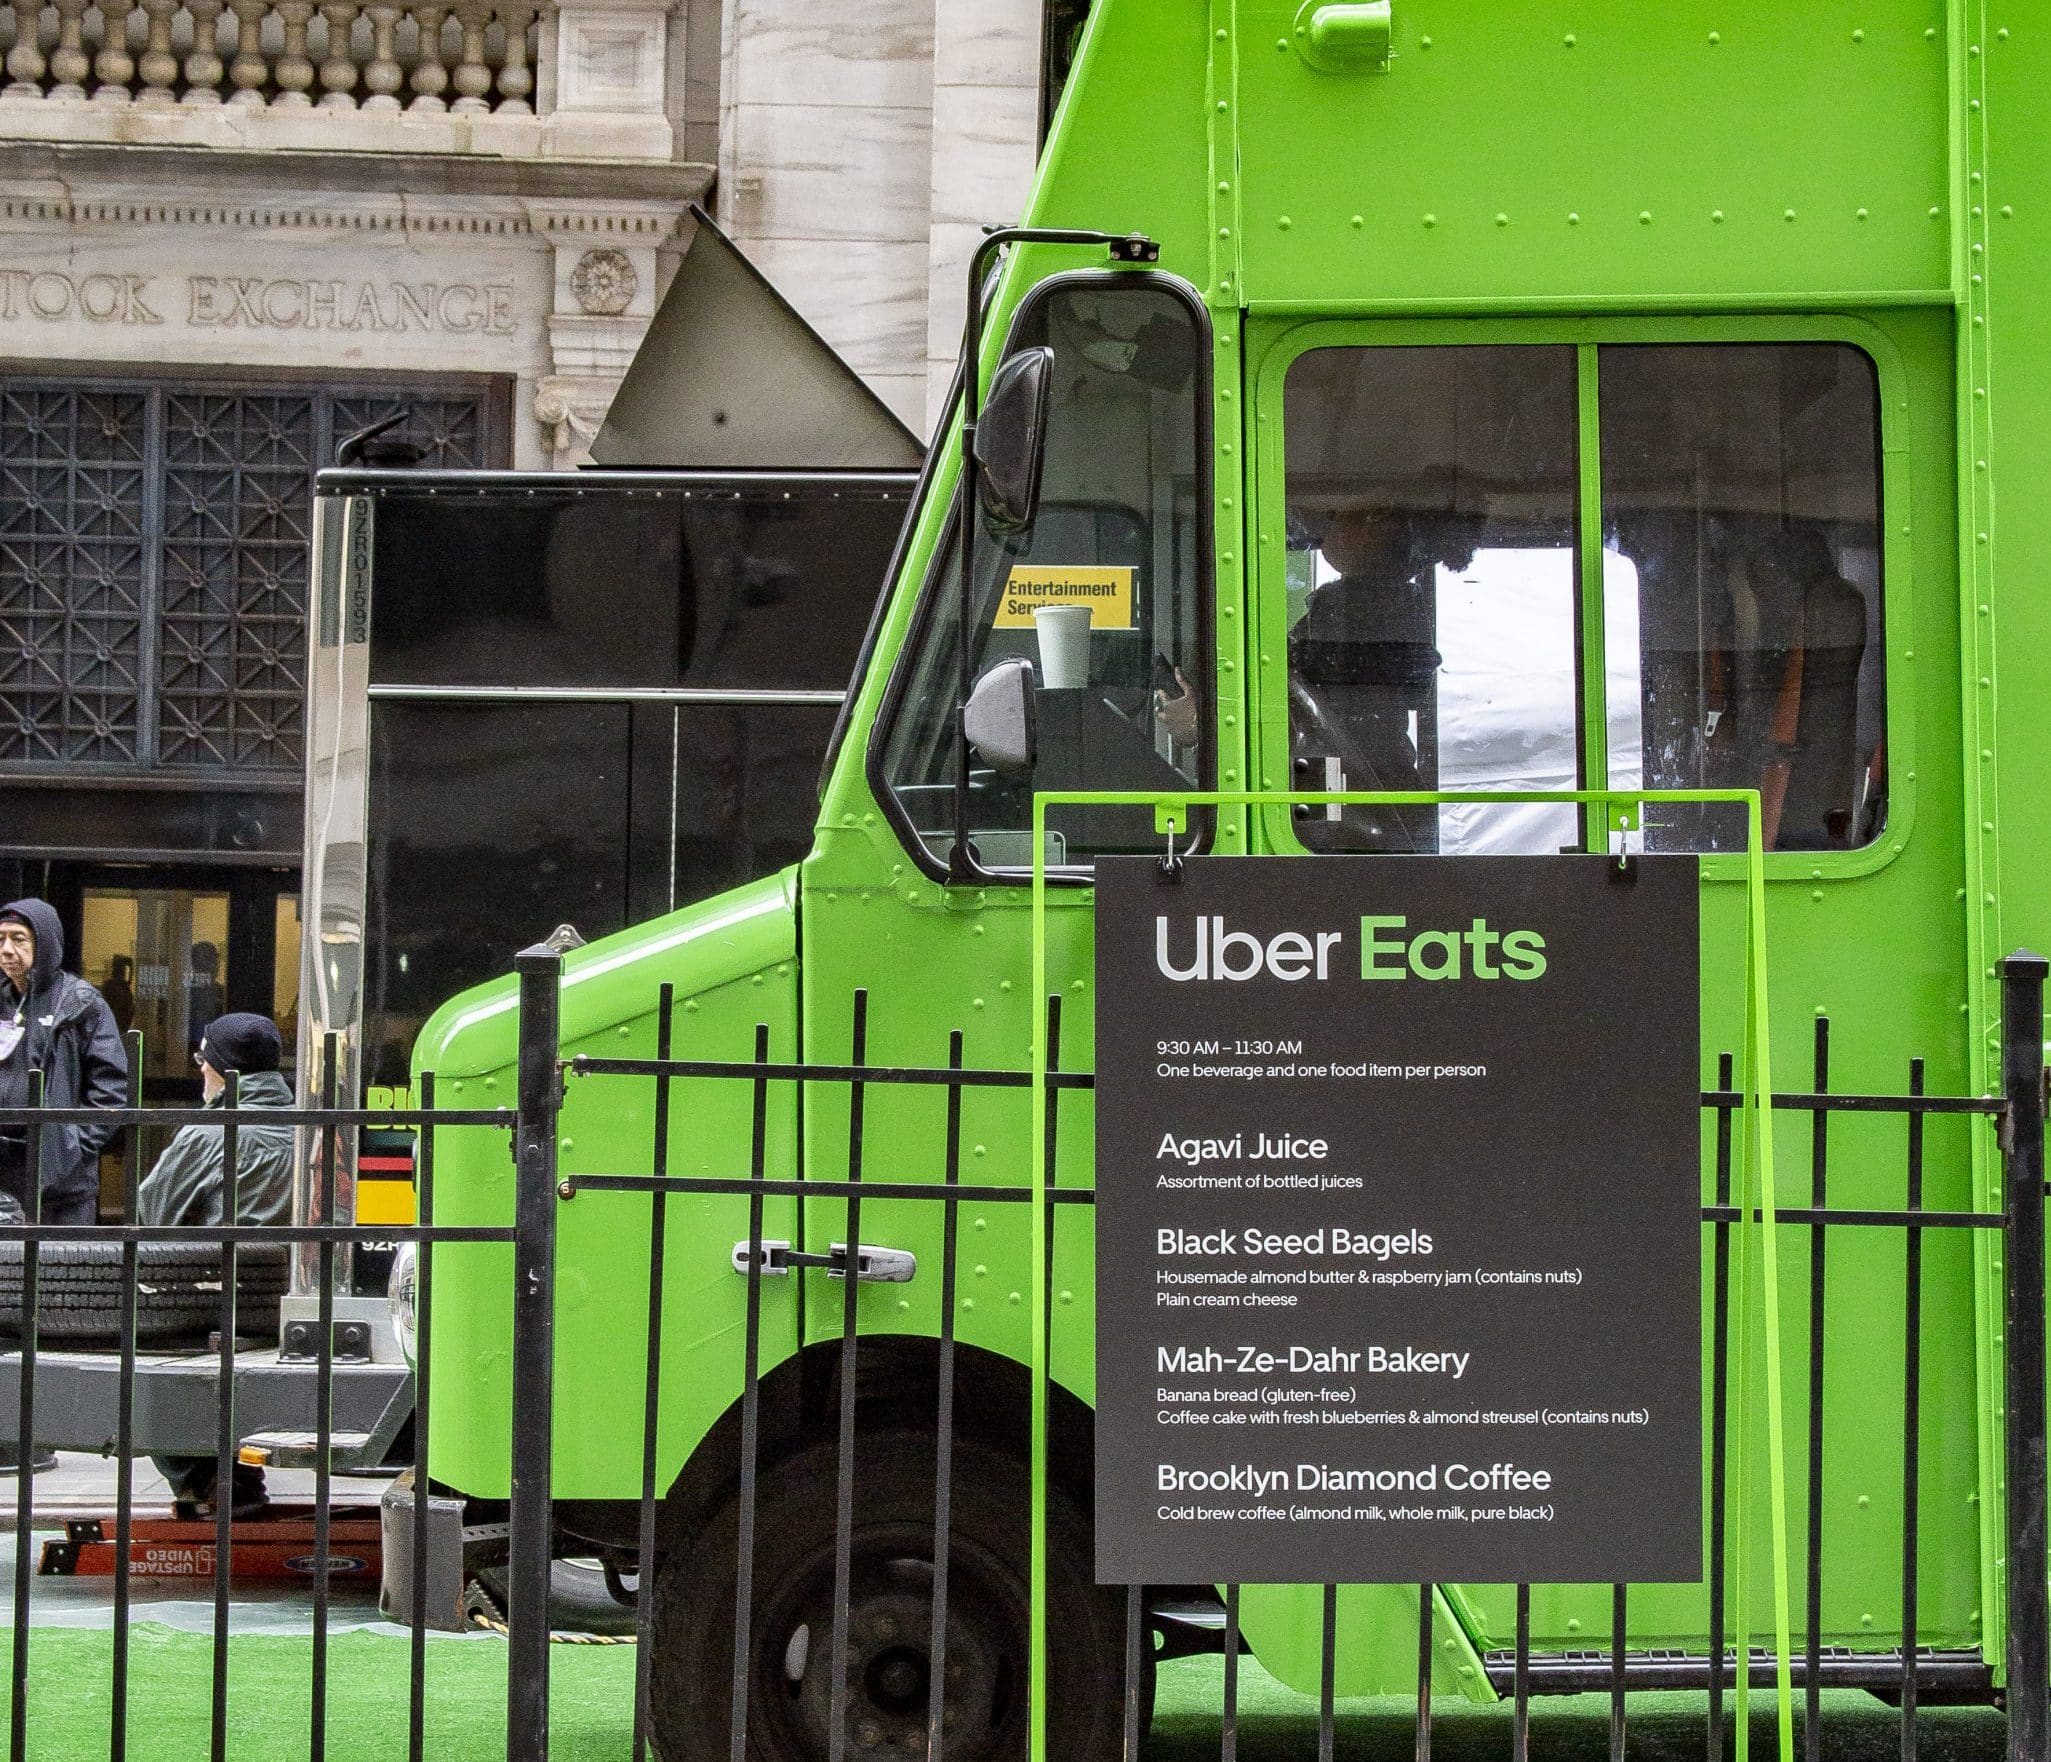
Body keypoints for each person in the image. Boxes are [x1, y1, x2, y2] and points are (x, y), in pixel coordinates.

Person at [141, 1012, 294, 1521]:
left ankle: (207, 1477)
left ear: (226, 1074)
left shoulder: (208, 1136)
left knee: (147, 1342)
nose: (198, 1068)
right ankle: (231, 1477)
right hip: (299, 1306)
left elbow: (153, 1218)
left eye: (203, 1060)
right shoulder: (315, 1129)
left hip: (217, 1306)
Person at [0, 900, 129, 1226]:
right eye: (0, 939)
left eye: (19, 939)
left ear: (43, 944)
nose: (7, 950)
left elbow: (111, 1089)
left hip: (62, 1182)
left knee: (64, 1271)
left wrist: (73, 1147)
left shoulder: (81, 1003)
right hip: (4, 1174)